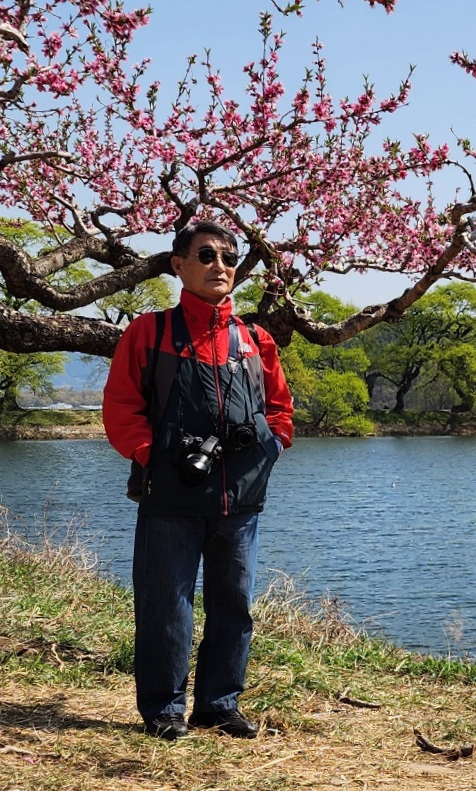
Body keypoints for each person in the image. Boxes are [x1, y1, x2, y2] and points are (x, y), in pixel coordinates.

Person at [103, 220, 294, 740]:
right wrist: (154, 456)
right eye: (206, 255)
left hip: (242, 499)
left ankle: (218, 704)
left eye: (228, 257)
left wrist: (271, 448)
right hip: (171, 497)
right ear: (178, 265)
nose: (220, 266)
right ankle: (164, 710)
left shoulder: (255, 339)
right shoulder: (150, 332)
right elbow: (121, 408)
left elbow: (280, 408)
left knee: (235, 605)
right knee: (166, 605)